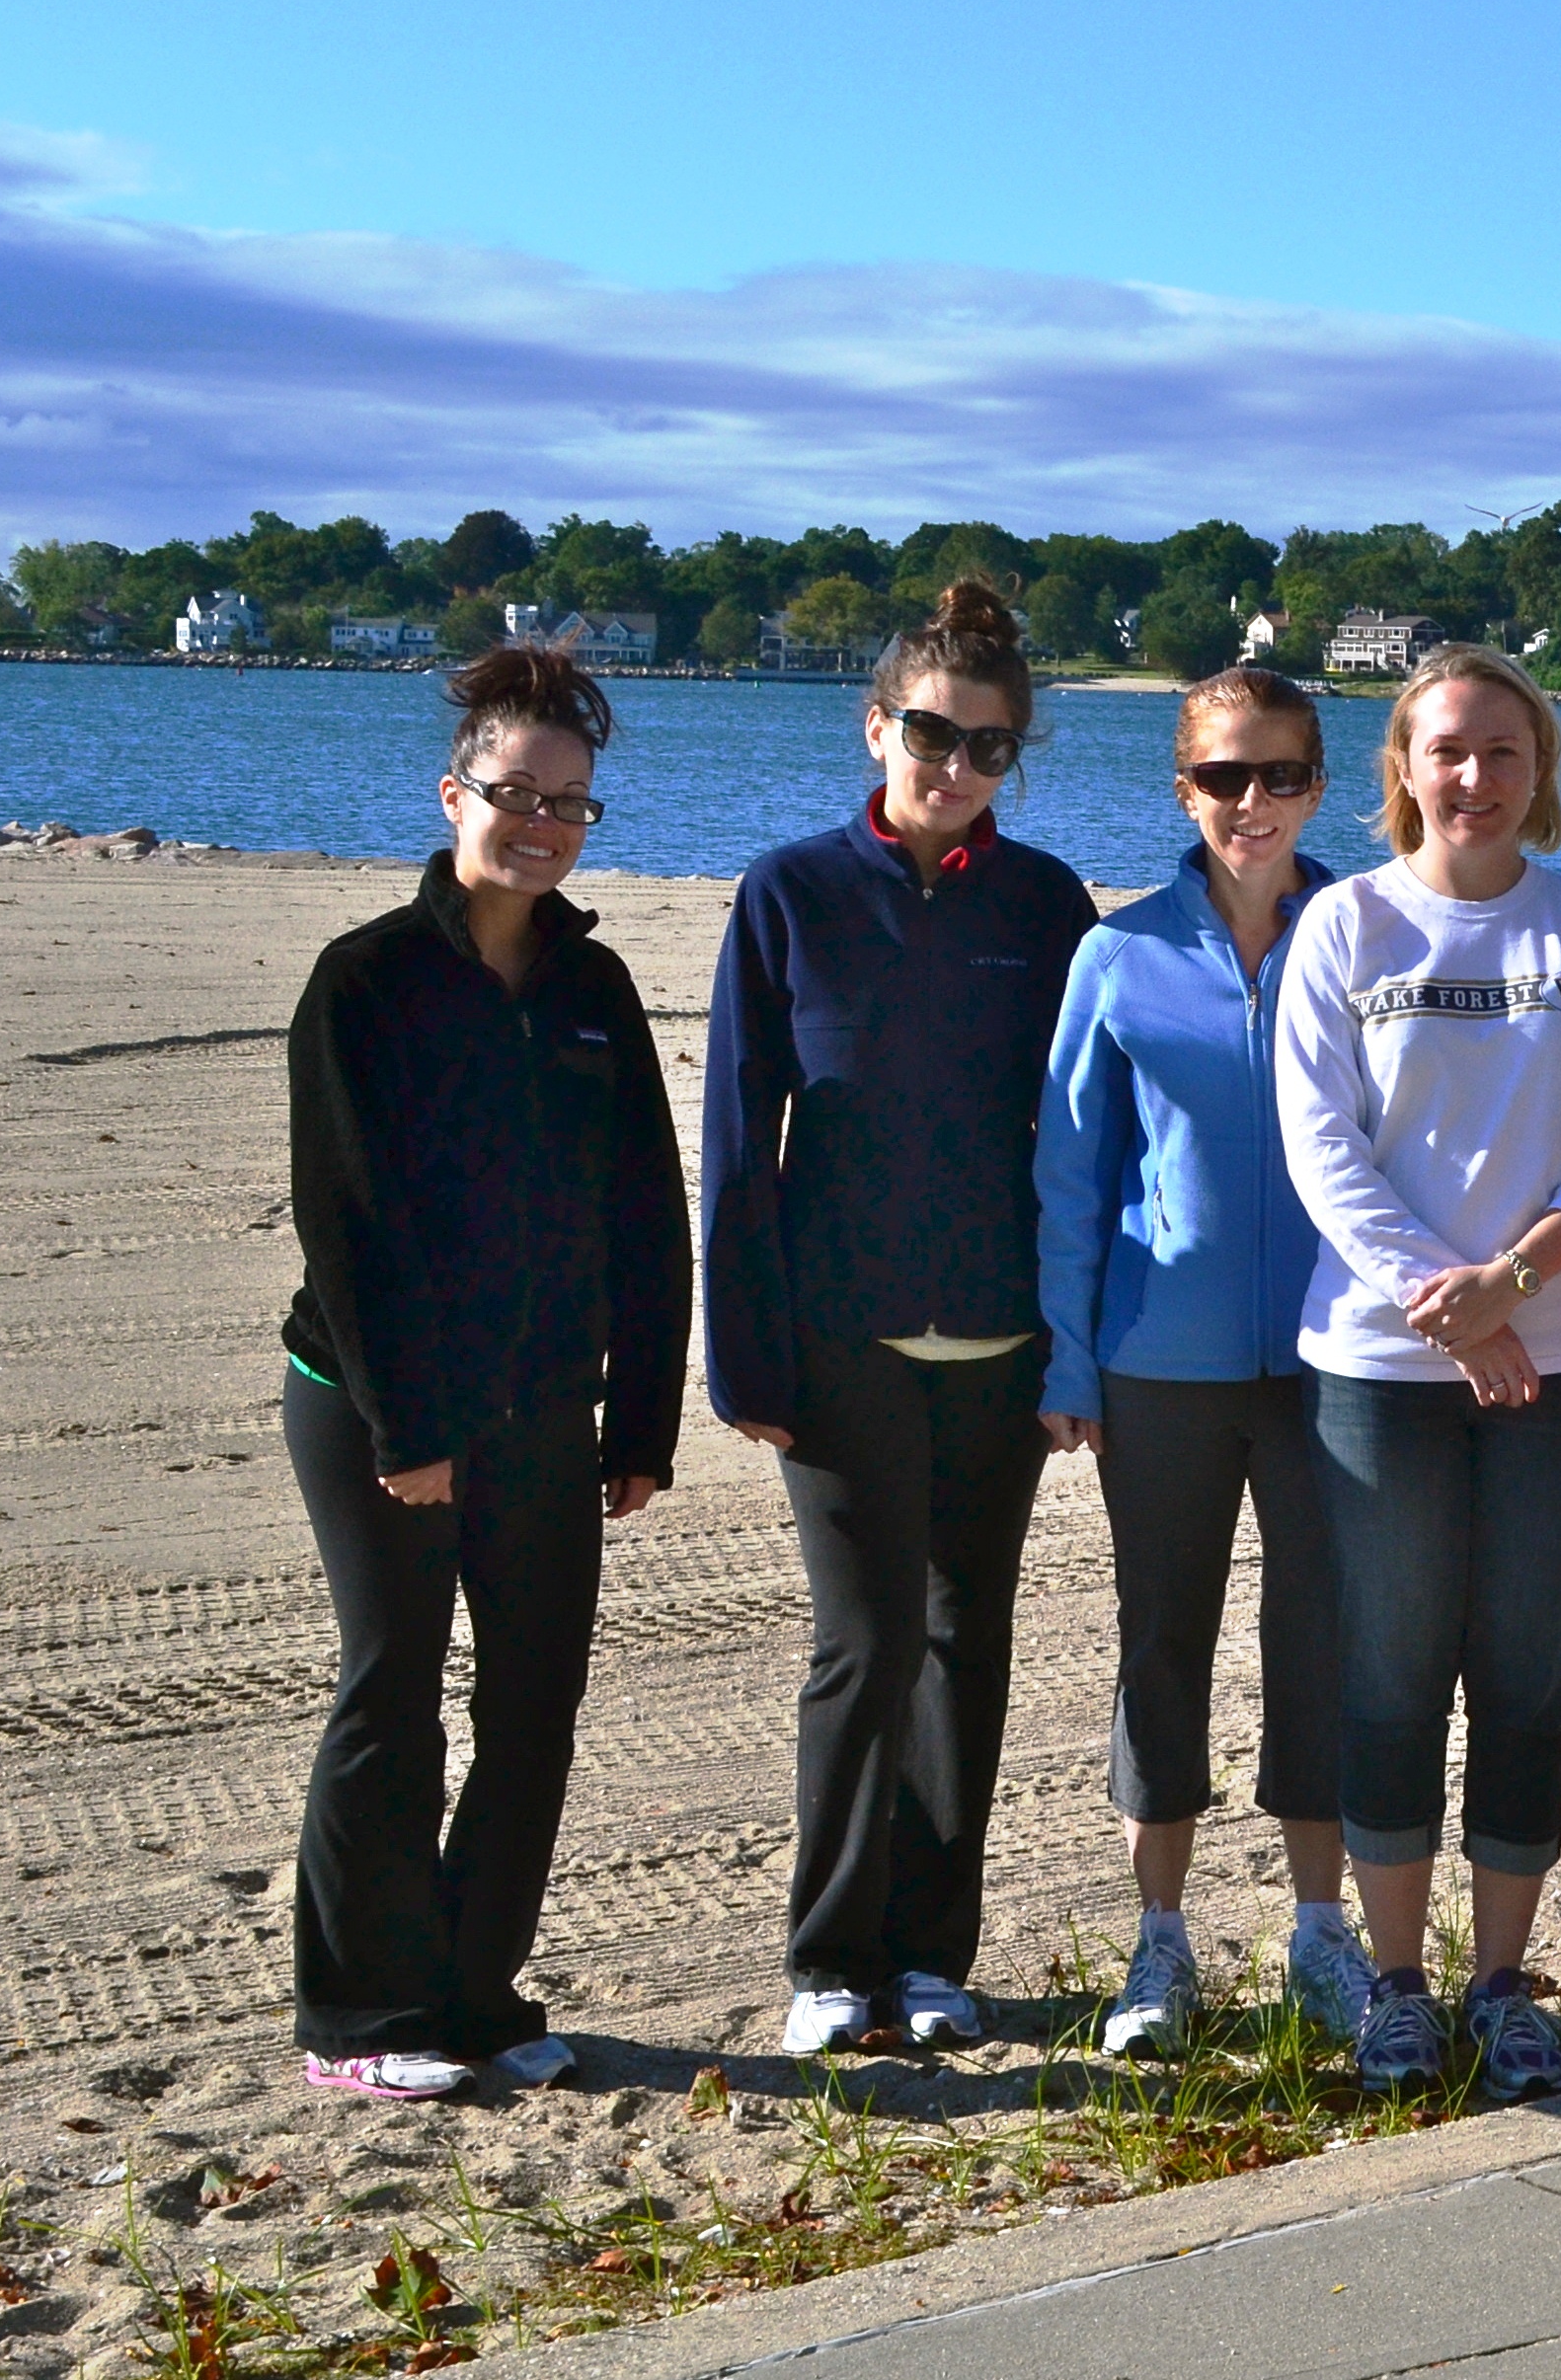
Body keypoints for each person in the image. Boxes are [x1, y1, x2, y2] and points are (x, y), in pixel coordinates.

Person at [279, 645, 687, 2102]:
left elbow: (647, 1209)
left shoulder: (592, 984)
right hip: (375, 1400)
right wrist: (409, 1424)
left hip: (541, 1409)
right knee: (392, 1693)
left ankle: (472, 1991)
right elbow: (346, 1224)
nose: (542, 823)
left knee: (535, 1700)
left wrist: (642, 1414)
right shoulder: (366, 982)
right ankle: (358, 2019)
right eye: (515, 793)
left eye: (569, 802)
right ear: (455, 794)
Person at [701, 579, 1096, 2056]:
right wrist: (743, 1352)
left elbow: (1077, 1147)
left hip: (999, 1345)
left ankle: (935, 1956)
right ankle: (828, 1960)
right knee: (860, 1649)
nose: (954, 764)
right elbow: (743, 1143)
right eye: (931, 732)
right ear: (878, 728)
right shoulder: (788, 892)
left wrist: (1075, 1341)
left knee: (962, 1646)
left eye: (989, 746)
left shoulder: (1046, 907)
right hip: (838, 1342)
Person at [1280, 646, 1561, 2101]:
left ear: (1540, 770)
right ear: (1402, 768)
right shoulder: (1343, 927)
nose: (1474, 777)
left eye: (1503, 751)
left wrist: (1510, 1285)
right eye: (1447, 749)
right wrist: (1444, 1303)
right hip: (1379, 1366)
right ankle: (1396, 1984)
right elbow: (1322, 1145)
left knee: (1521, 1676)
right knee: (1386, 1675)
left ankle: (1503, 1983)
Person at [1035, 666, 1353, 2060]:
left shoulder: (1366, 937)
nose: (1252, 802)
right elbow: (1067, 1169)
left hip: (1336, 1363)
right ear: (1184, 788)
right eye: (1224, 776)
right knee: (1162, 1641)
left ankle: (1319, 1932)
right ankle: (1159, 1944)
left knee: (1322, 1645)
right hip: (1157, 1363)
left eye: (1279, 774)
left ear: (1318, 784)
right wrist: (1068, 1357)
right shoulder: (1117, 954)